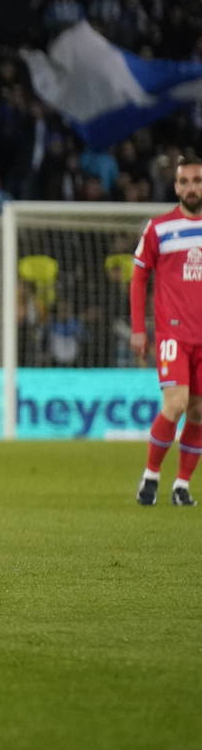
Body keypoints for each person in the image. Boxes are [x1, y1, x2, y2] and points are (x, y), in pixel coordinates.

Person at [131, 155, 202, 506]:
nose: (191, 187)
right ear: (175, 187)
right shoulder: (159, 228)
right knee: (175, 404)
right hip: (173, 334)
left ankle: (182, 486)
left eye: (197, 181)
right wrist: (138, 329)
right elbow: (139, 276)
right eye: (185, 181)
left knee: (199, 412)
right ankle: (151, 476)